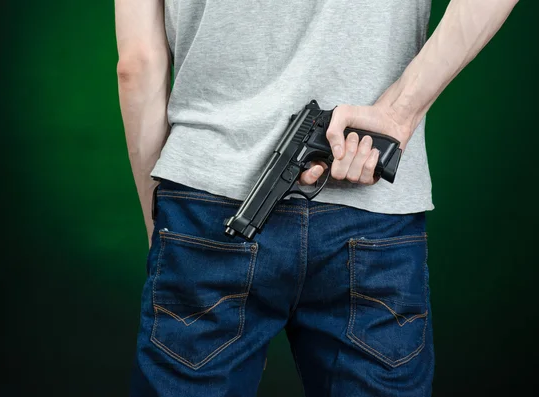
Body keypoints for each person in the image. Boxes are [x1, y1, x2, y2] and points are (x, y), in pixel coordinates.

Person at [116, 0, 518, 395]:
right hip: (372, 220)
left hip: (207, 206)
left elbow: (137, 65)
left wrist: (161, 229)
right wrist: (399, 112)